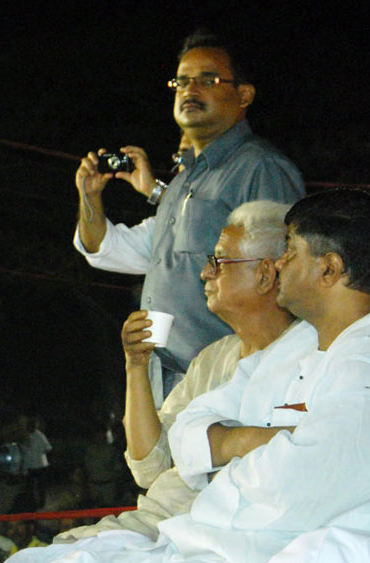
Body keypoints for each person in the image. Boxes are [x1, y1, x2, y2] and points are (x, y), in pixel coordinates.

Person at [22, 188, 370, 563]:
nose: (280, 262)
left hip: (282, 553)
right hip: (223, 536)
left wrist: (224, 459)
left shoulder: (369, 364)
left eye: (290, 251)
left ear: (329, 269)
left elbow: (303, 485)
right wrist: (249, 440)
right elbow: (187, 433)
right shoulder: (305, 348)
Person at [0, 200, 295, 563]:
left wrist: (223, 443)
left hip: (204, 535)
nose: (205, 272)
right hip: (153, 521)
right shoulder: (214, 358)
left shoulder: (308, 357)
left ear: (265, 274)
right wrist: (136, 367)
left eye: (220, 261)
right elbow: (149, 467)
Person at [73, 30, 304, 398]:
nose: (189, 89)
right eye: (181, 81)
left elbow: (286, 281)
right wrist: (89, 199)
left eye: (208, 79)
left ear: (244, 95)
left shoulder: (258, 168)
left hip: (227, 383)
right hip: (164, 380)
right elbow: (105, 249)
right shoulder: (181, 186)